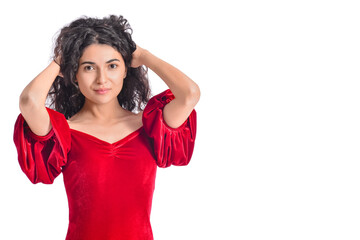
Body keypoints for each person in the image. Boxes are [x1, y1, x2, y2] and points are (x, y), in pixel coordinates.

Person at [13, 15, 200, 240]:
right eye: (89, 67)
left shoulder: (150, 125)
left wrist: (144, 56)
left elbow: (189, 94)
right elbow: (29, 102)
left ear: (125, 70)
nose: (102, 79)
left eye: (112, 65)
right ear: (74, 74)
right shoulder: (64, 133)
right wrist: (61, 60)